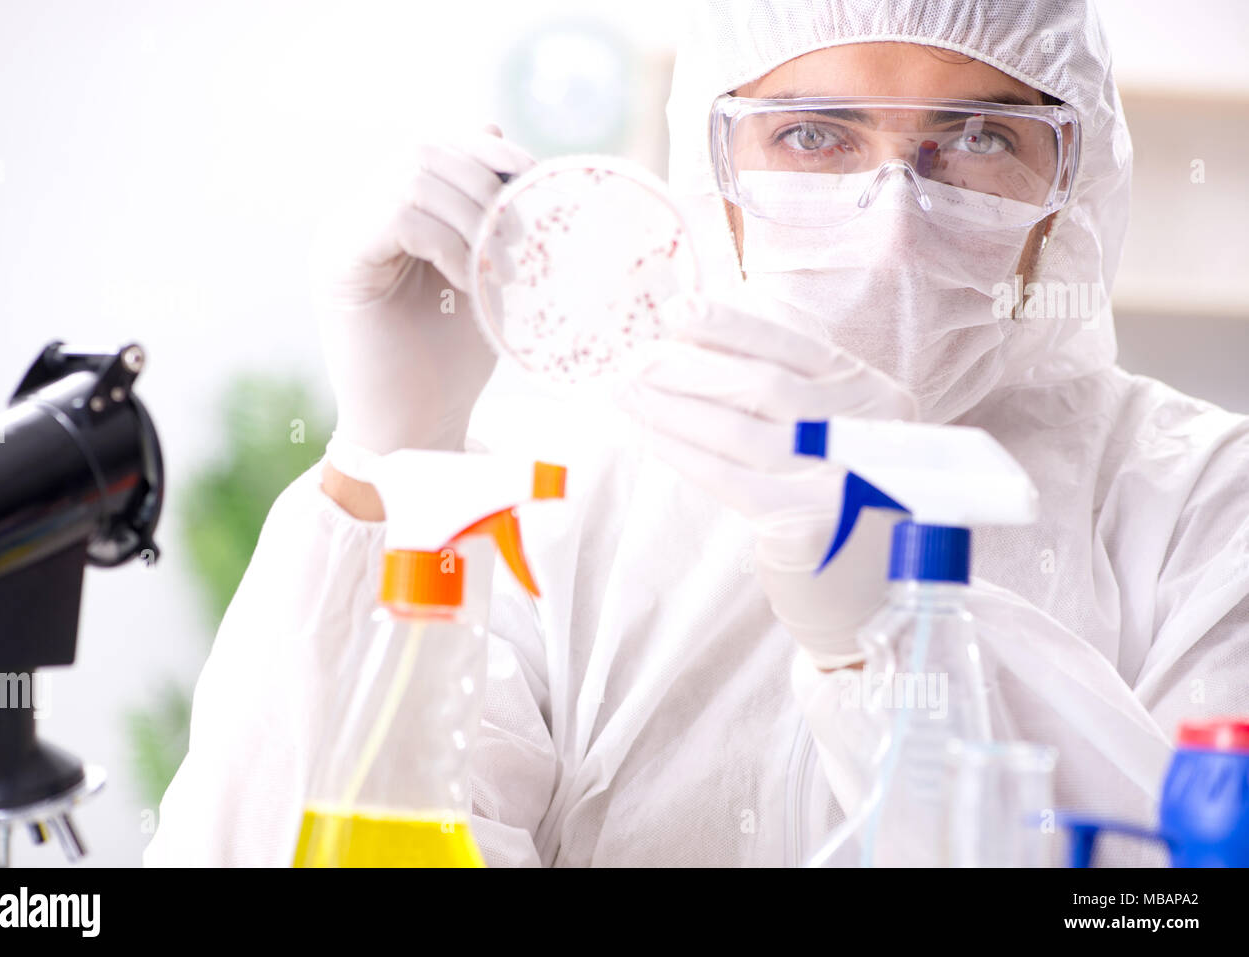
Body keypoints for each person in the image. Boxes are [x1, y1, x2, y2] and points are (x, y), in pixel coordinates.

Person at [145, 0, 1249, 867]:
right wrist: (392, 462)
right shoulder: (554, 498)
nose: (892, 220)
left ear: (1073, 177)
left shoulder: (1201, 500)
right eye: (812, 135)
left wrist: (899, 622)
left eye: (976, 136)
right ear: (712, 166)